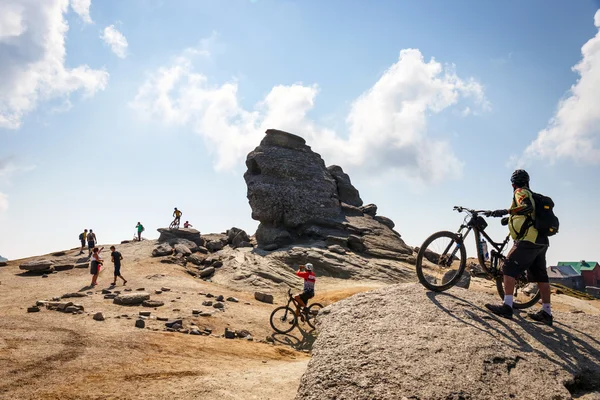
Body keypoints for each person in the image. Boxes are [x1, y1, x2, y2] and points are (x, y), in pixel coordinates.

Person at [484, 169, 553, 326]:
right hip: (541, 241)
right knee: (541, 276)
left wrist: (505, 211)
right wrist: (510, 218)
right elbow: (528, 212)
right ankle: (546, 312)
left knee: (507, 267)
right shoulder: (533, 194)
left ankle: (507, 306)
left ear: (513, 184)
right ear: (528, 182)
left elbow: (526, 207)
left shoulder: (520, 192)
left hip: (528, 240)